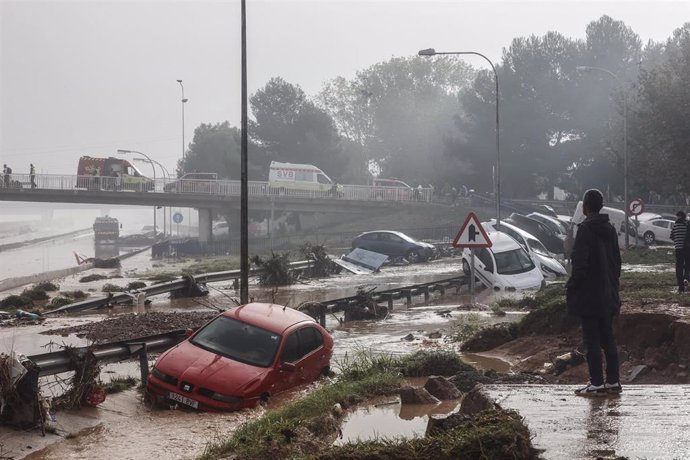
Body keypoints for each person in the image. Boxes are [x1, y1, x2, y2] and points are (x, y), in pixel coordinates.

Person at [566, 189, 622, 395]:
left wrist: (572, 286)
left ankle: (596, 383)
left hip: (590, 295)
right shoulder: (610, 229)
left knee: (592, 341)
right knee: (608, 338)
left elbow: (580, 264)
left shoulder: (585, 230)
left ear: (585, 207)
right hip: (609, 293)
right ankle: (613, 382)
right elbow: (617, 263)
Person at [670, 211, 690, 292]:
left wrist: (676, 241)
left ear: (678, 216)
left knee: (679, 267)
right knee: (687, 264)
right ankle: (686, 278)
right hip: (686, 248)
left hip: (678, 248)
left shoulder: (675, 225)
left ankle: (680, 286)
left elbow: (671, 236)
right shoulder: (686, 225)